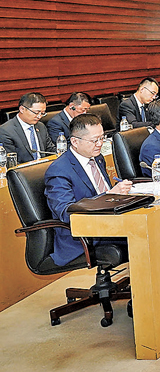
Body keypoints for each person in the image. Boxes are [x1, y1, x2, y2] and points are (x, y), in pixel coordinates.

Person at [44, 113, 132, 266]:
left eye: (102, 138)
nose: (100, 144)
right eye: (94, 140)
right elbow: (66, 212)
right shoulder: (59, 170)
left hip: (109, 222)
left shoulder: (97, 158)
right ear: (74, 141)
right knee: (143, 235)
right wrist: (108, 195)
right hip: (84, 237)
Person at [0, 92, 54, 165]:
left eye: (42, 113)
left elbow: (50, 150)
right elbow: (11, 162)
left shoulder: (41, 126)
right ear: (22, 109)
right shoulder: (6, 131)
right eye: (36, 112)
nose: (39, 116)